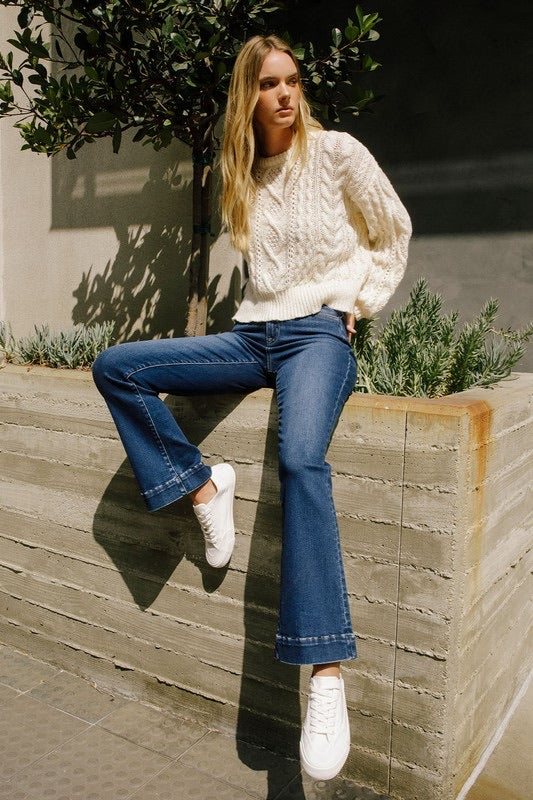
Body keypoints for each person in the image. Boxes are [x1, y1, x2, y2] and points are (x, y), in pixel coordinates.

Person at [92, 34, 411, 781]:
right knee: (117, 368)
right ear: (249, 95)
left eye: (293, 81)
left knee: (300, 459)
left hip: (316, 340)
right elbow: (262, 278)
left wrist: (355, 302)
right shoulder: (240, 173)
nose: (286, 95)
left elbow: (390, 230)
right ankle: (201, 484)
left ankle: (325, 675)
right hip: (252, 335)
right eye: (270, 84)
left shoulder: (336, 152)